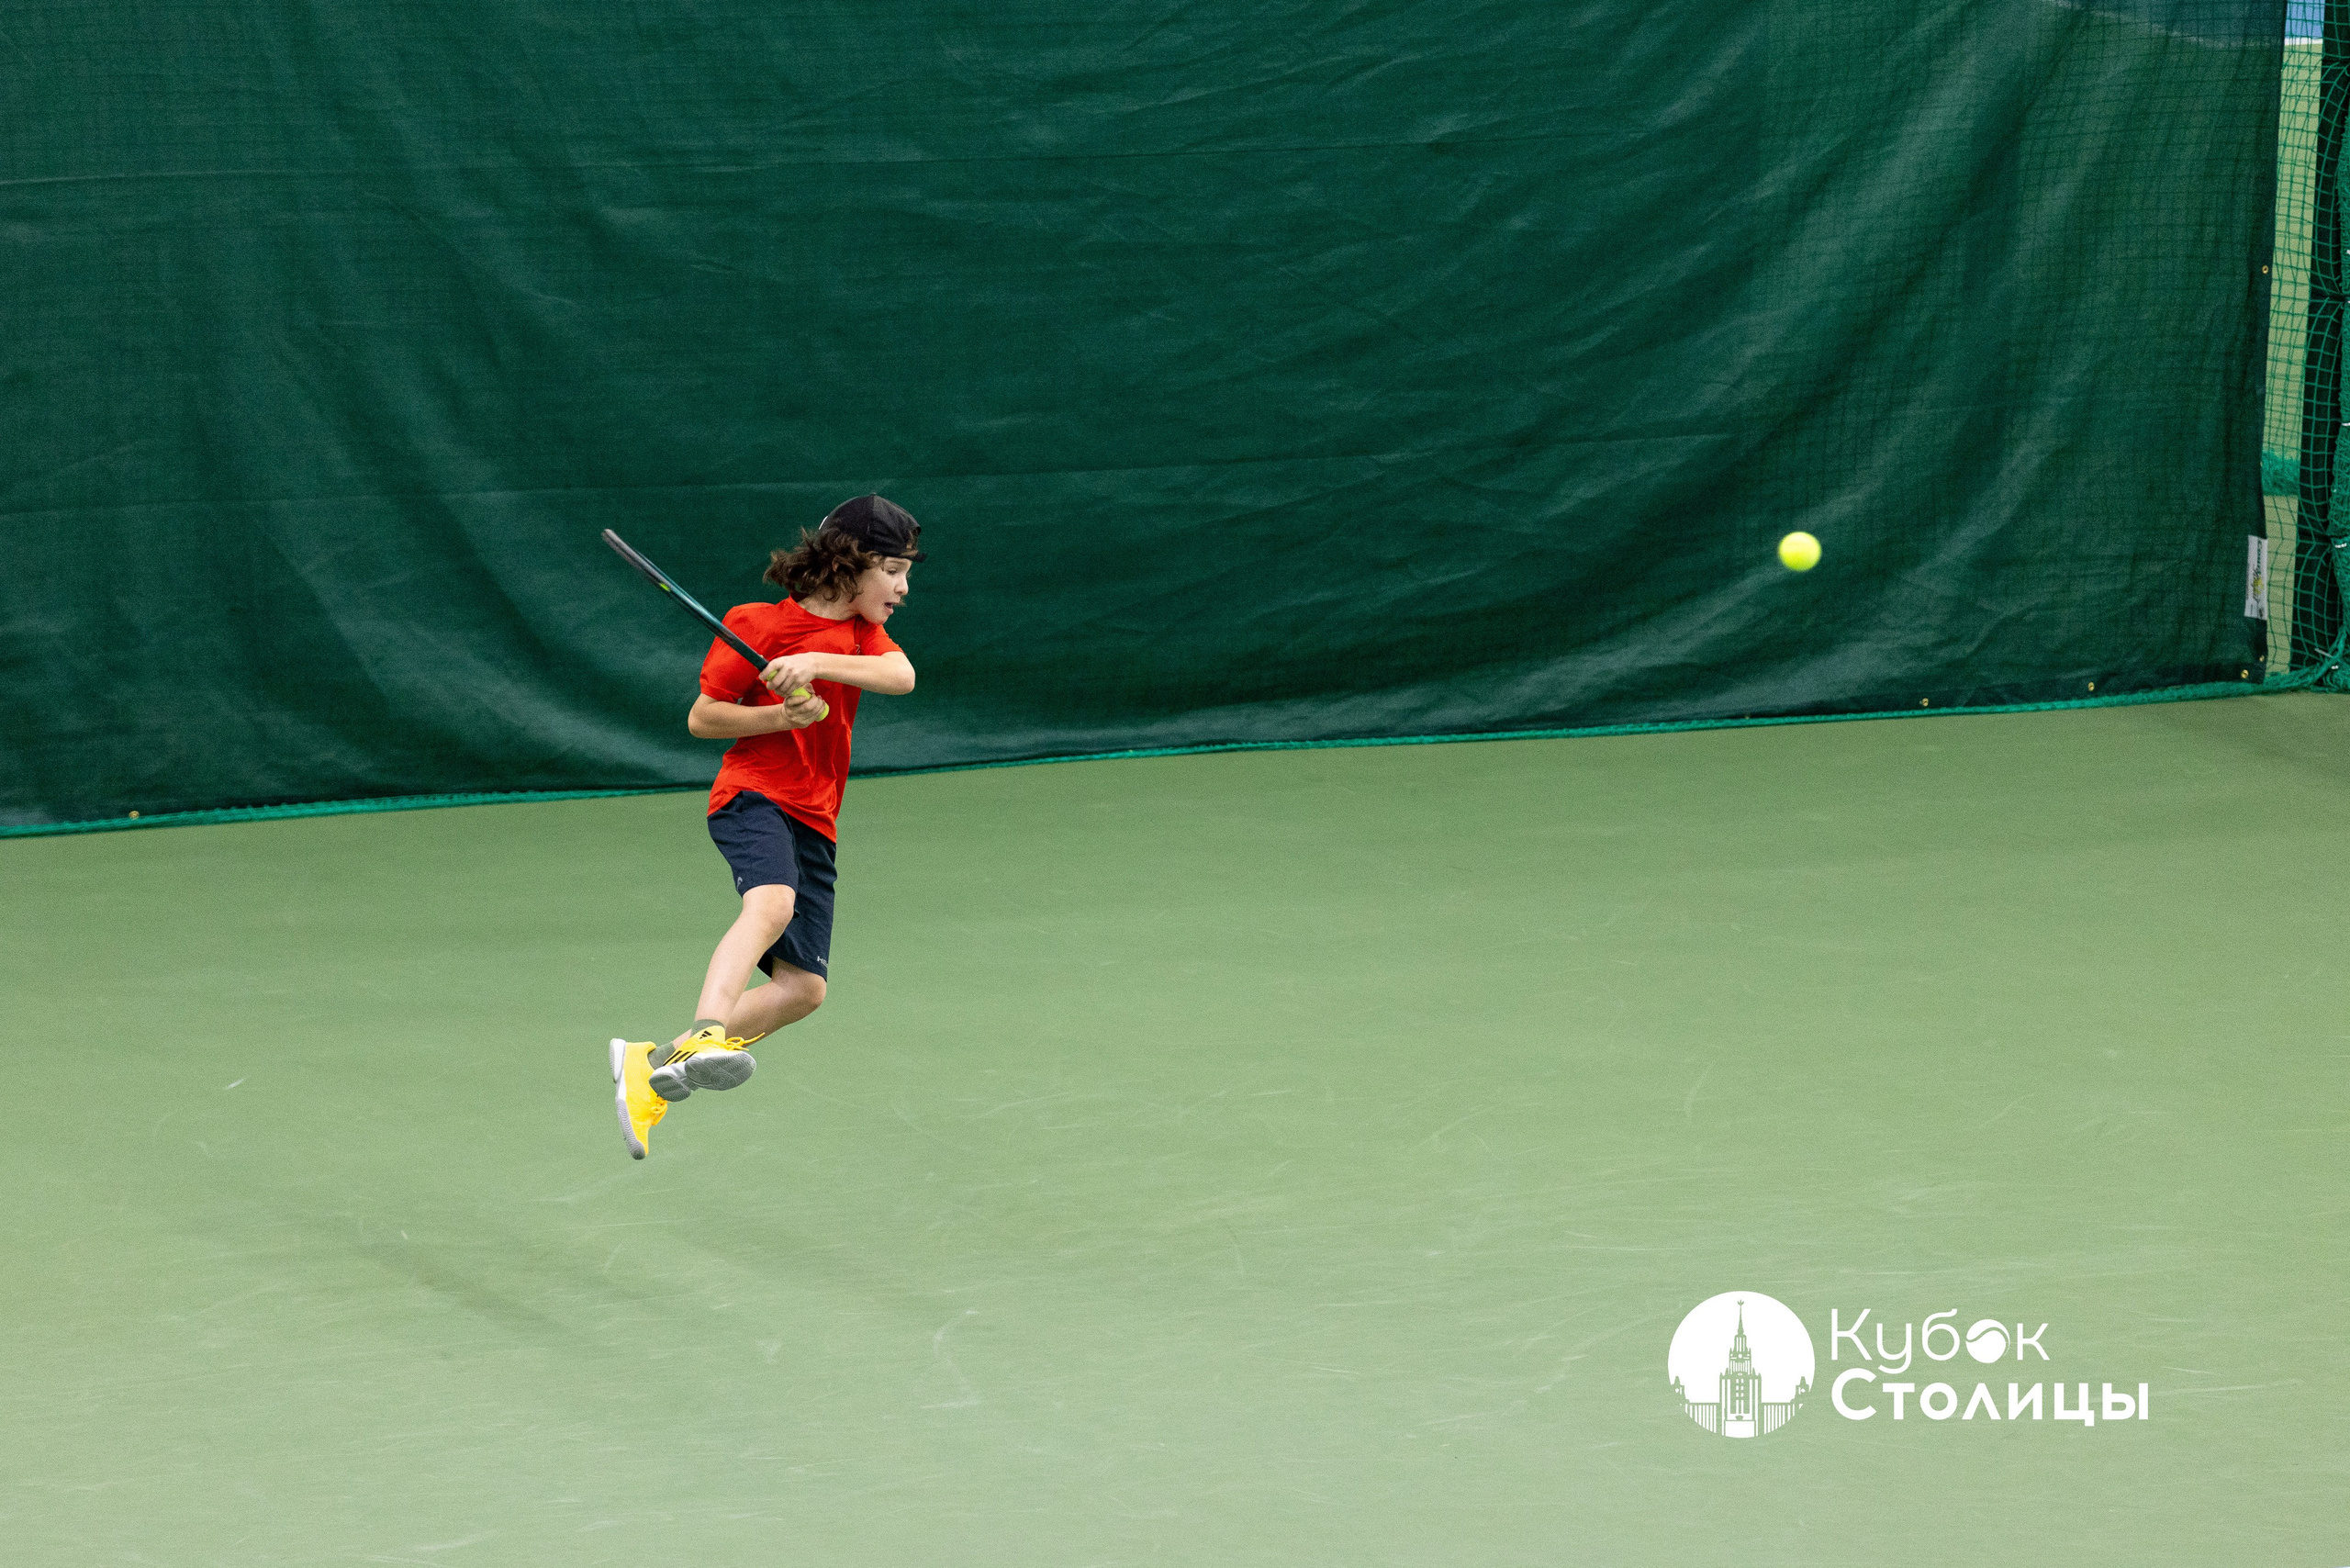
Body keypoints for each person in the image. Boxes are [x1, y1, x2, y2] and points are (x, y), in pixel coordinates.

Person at [612, 495, 923, 1159]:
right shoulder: (755, 626)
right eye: (893, 570)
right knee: (772, 903)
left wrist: (814, 667)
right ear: (855, 564)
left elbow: (902, 675)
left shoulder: (864, 639)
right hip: (752, 794)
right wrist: (780, 718)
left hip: (816, 815)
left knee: (804, 990)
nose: (901, 588)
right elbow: (704, 717)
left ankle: (650, 1063)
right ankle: (706, 1029)